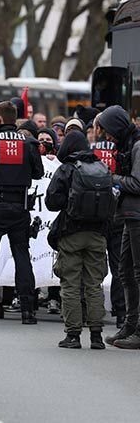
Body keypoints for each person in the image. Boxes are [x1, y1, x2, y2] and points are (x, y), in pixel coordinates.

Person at [0, 101, 44, 323]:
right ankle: (27, 310)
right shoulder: (29, 143)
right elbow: (38, 173)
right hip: (20, 206)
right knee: (22, 256)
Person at [45, 131, 110, 349]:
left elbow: (52, 202)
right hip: (97, 234)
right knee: (94, 284)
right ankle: (96, 336)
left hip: (71, 232)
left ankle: (73, 334)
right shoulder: (101, 167)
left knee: (70, 283)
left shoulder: (67, 168)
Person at [98, 105, 140, 348]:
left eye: (108, 131)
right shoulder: (129, 145)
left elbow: (137, 183)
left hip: (136, 216)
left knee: (137, 273)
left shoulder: (136, 146)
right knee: (125, 272)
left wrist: (110, 179)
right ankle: (131, 325)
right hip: (129, 216)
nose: (106, 137)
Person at [91, 116, 126, 329]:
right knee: (119, 265)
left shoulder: (91, 150)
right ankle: (121, 312)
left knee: (93, 263)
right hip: (119, 212)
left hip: (96, 212)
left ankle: (91, 309)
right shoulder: (125, 149)